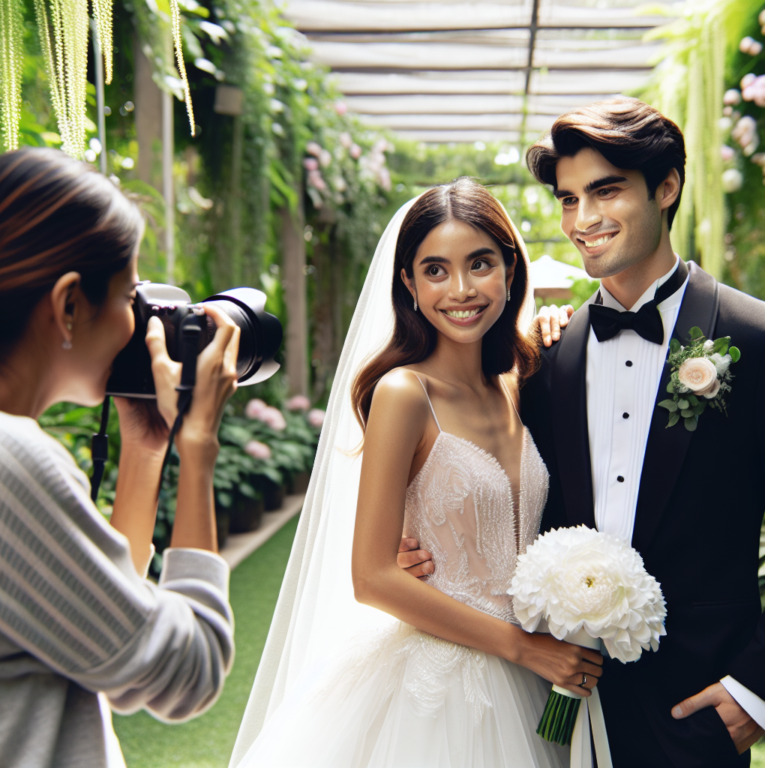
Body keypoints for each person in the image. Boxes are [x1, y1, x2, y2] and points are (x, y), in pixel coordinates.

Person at [404, 97, 765, 768]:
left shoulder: (753, 338)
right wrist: (424, 555)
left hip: (698, 709)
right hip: (553, 705)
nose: (584, 221)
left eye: (605, 191)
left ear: (666, 187)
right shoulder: (544, 357)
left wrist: (755, 690)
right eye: (569, 200)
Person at [230, 178, 604, 768]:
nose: (460, 289)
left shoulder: (519, 380)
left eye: (480, 263)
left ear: (510, 267)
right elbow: (373, 576)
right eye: (435, 270)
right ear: (408, 282)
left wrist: (556, 323)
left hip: (538, 671)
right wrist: (524, 649)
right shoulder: (405, 393)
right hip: (444, 682)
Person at [0, 148, 239, 767]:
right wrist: (199, 449)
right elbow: (189, 669)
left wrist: (146, 448)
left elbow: (110, 630)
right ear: (69, 305)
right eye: (131, 297)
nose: (139, 325)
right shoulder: (12, 459)